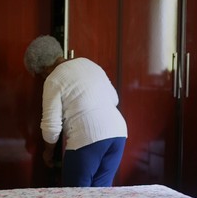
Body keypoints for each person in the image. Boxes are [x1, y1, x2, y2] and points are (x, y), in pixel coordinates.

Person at [23, 35, 128, 187]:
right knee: (101, 196)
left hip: (87, 137)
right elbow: (114, 98)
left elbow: (51, 127)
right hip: (118, 134)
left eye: (41, 74)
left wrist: (48, 153)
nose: (43, 77)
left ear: (45, 69)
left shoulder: (53, 79)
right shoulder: (89, 63)